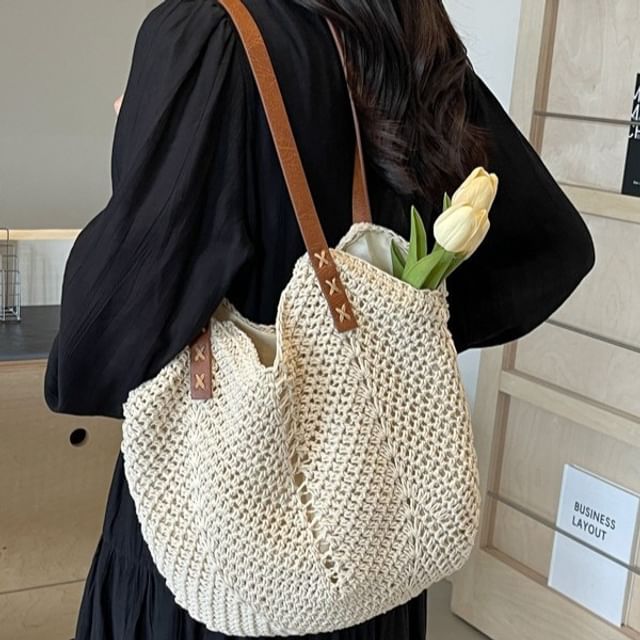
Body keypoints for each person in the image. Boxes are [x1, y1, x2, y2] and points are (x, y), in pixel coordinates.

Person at [44, 0, 596, 638]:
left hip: (220, 558)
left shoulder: (205, 35)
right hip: (371, 537)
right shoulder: (406, 27)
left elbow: (94, 350)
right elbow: (553, 251)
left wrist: (139, 152)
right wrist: (390, 344)